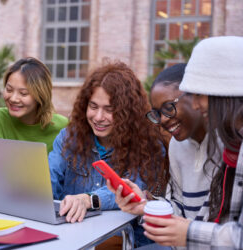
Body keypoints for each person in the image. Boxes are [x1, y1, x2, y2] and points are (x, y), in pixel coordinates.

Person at [49, 61, 167, 246]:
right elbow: (50, 179)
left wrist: (88, 200)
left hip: (120, 242)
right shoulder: (68, 138)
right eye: (93, 106)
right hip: (68, 238)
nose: (98, 117)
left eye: (109, 110)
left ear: (128, 112)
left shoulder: (149, 145)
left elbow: (129, 190)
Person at [143, 36, 243, 248]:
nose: (196, 104)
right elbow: (206, 215)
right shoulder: (233, 145)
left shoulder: (230, 145)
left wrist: (188, 233)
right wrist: (145, 205)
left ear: (226, 90)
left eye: (199, 94)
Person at [108, 64, 222, 223]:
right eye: (158, 113)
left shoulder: (228, 143)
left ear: (197, 97)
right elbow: (179, 209)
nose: (163, 119)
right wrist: (145, 205)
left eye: (168, 107)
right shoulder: (177, 146)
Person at [0, 57, 68, 153]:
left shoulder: (63, 127)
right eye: (9, 90)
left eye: (23, 93)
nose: (13, 99)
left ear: (41, 95)